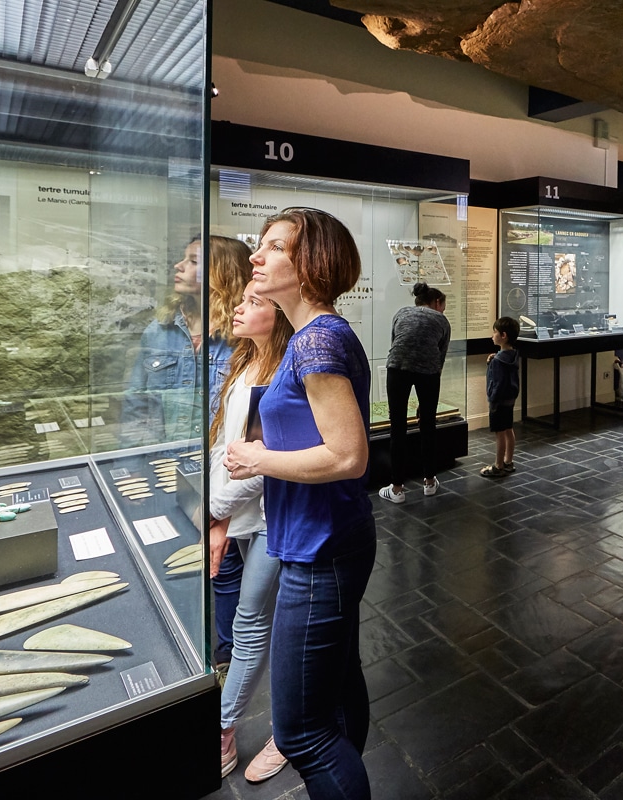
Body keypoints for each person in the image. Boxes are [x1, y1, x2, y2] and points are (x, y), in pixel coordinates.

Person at [223, 208, 375, 799]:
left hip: (321, 548)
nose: (256, 257)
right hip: (324, 536)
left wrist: (257, 459)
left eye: (274, 248)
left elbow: (346, 456)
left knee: (301, 731)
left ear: (311, 264)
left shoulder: (317, 341)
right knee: (339, 684)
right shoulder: (311, 337)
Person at [209, 282, 293, 783]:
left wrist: (216, 513)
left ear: (279, 314)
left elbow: (267, 461)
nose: (239, 308)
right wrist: (218, 513)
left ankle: (230, 729)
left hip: (272, 516)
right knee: (258, 623)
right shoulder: (244, 364)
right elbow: (227, 446)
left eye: (254, 302)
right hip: (243, 515)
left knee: (254, 622)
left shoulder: (283, 373)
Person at [123, 237, 228, 445]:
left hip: (219, 464)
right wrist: (130, 466)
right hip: (163, 460)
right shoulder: (159, 329)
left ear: (220, 273)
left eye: (193, 261)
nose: (178, 266)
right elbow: (135, 403)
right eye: (184, 259)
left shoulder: (241, 336)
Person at [206, 236, 252, 678]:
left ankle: (225, 660)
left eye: (196, 262)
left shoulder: (244, 348)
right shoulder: (164, 327)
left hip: (228, 487)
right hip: (203, 474)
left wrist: (218, 508)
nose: (182, 269)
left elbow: (251, 447)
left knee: (228, 571)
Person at [378, 283, 451, 504]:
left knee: (397, 425)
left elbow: (396, 344)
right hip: (428, 372)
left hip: (397, 367)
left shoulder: (401, 313)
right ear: (437, 303)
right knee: (427, 424)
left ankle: (397, 488)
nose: (442, 311)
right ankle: (429, 482)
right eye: (443, 307)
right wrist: (427, 400)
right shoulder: (441, 321)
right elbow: (440, 358)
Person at [481, 316, 521, 478]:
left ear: (503, 336)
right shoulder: (513, 355)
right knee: (508, 429)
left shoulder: (498, 361)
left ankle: (498, 465)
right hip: (510, 399)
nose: (492, 335)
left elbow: (496, 383)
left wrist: (493, 401)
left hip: (499, 402)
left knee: (499, 433)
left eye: (495, 332)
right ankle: (508, 461)